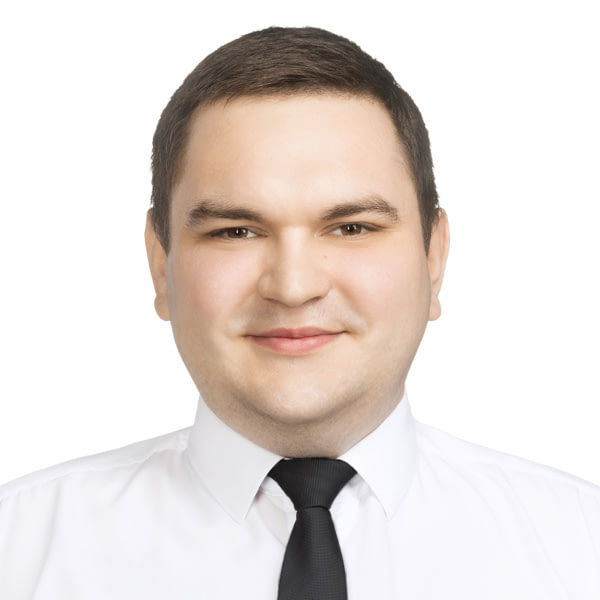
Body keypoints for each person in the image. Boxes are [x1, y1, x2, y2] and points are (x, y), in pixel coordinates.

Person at [1, 26, 598, 599]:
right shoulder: (18, 552)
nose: (292, 287)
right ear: (161, 263)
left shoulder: (580, 548)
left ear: (433, 258)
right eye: (235, 230)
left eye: (351, 227)